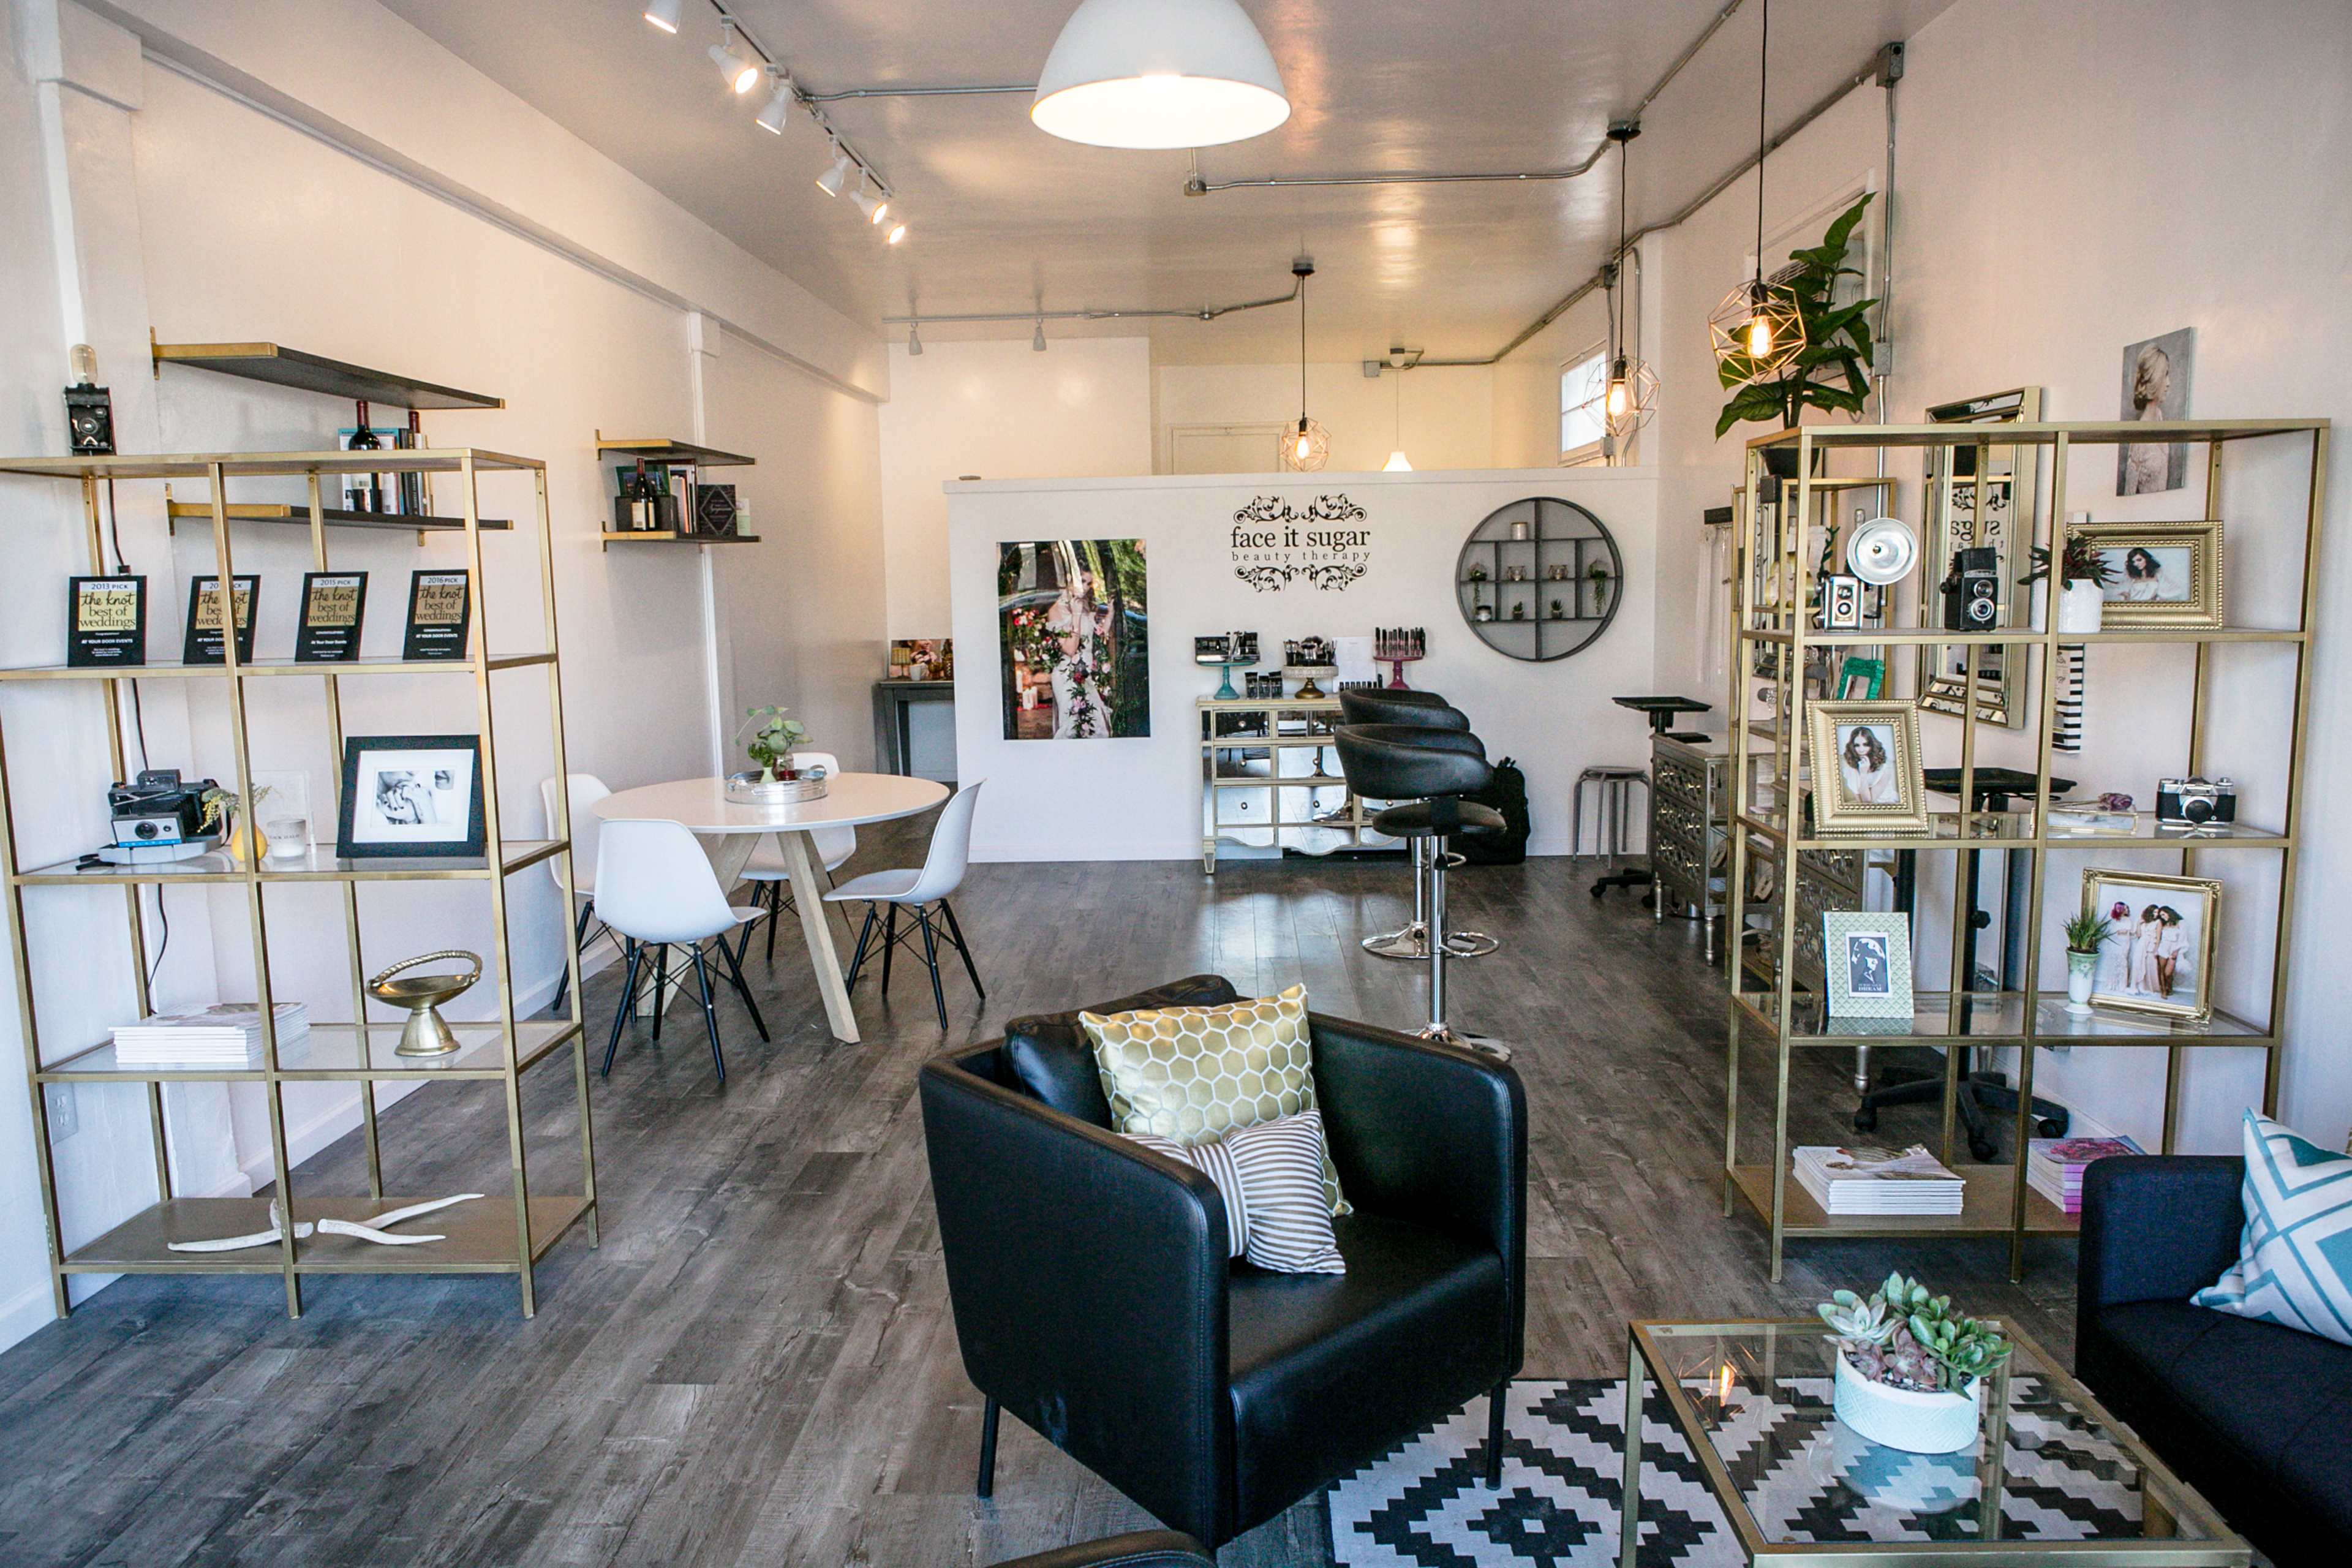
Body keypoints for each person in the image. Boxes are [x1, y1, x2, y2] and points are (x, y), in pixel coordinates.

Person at [1042, 567, 1112, 739]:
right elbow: (1070, 649)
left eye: (1089, 583)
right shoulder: (1056, 610)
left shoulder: (1085, 606)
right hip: (1067, 675)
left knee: (1098, 727)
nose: (1086, 587)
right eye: (1082, 581)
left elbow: (1095, 637)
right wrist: (1076, 615)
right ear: (1069, 578)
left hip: (1085, 674)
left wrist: (1110, 615)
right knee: (1074, 728)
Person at [2121, 343, 2174, 495]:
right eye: (2165, 375)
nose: (2168, 383)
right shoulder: (2139, 438)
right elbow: (2129, 493)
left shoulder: (2159, 417)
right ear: (2154, 378)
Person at [1839, 725, 1898, 804]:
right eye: (1857, 745)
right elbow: (1862, 802)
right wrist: (1863, 772)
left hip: (1888, 804)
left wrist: (1863, 773)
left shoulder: (1885, 767)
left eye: (1866, 745)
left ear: (1872, 745)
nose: (1861, 750)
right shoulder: (1850, 769)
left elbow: (1869, 801)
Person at [2128, 903, 2167, 996]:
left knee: (2149, 965)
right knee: (2138, 963)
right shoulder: (2144, 922)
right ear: (2150, 912)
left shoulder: (2158, 922)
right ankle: (2138, 986)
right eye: (2155, 912)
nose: (2156, 914)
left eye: (2157, 912)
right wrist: (2139, 924)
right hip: (2141, 944)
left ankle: (2147, 987)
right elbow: (2138, 935)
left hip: (2151, 945)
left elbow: (2158, 938)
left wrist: (2156, 950)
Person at [2154, 905, 2190, 998]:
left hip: (2173, 949)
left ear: (2168, 912)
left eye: (2163, 914)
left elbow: (2183, 940)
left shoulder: (2181, 923)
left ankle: (2169, 987)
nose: (2162, 917)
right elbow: (2158, 937)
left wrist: (2176, 951)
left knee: (2168, 973)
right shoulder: (2163, 924)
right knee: (2161, 970)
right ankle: (2163, 991)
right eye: (2161, 916)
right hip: (2163, 948)